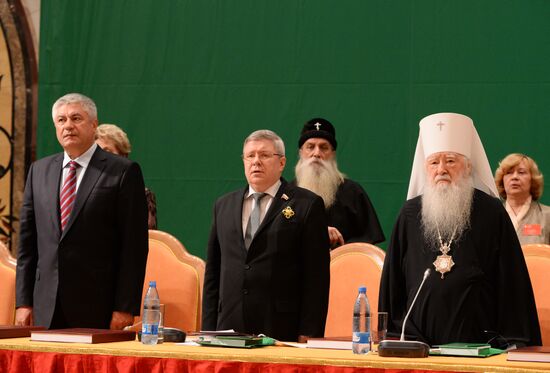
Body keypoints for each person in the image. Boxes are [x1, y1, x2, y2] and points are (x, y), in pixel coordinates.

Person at [379, 112, 541, 347]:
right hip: (418, 347)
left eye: (451, 161)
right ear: (426, 168)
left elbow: (512, 284)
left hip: (481, 345)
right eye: (434, 162)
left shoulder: (491, 212)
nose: (441, 169)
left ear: (467, 167)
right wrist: (394, 337)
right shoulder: (409, 215)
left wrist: (515, 342)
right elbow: (392, 286)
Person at [15, 93, 148, 330]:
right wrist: (23, 303)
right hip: (45, 306)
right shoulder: (39, 171)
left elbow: (134, 248)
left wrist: (124, 307)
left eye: (76, 118)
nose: (68, 126)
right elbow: (27, 245)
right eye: (61, 120)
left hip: (99, 306)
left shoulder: (123, 172)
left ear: (94, 124)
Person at [202, 129, 330, 342]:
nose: (256, 162)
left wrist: (310, 332)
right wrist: (207, 330)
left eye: (264, 155)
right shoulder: (223, 205)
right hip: (228, 327)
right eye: (250, 156)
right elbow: (213, 274)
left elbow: (316, 278)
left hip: (281, 327)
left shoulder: (306, 205)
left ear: (281, 163)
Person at [294, 117, 385, 248]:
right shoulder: (287, 194)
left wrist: (340, 249)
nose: (316, 153)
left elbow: (368, 244)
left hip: (344, 266)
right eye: (310, 147)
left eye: (324, 147)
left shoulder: (352, 191)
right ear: (301, 152)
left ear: (332, 154)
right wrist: (317, 232)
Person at [96, 123, 158, 230]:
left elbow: (146, 237)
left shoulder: (141, 194)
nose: (100, 157)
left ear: (123, 156)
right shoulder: (79, 190)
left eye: (107, 152)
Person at [495, 153, 550, 244]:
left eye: (521, 172)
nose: (514, 177)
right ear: (502, 179)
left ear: (532, 179)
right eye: (509, 173)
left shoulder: (547, 216)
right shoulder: (493, 217)